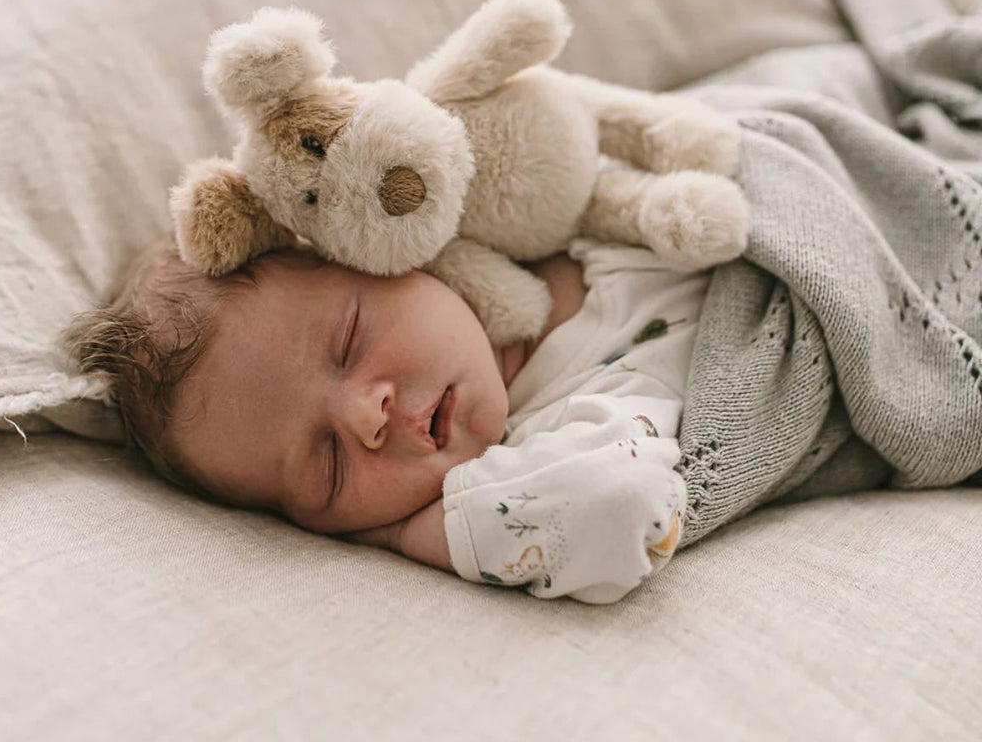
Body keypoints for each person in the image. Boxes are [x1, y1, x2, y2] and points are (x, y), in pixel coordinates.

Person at [65, 234, 707, 604]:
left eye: (348, 339)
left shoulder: (540, 217)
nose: (364, 417)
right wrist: (408, 535)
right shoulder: (570, 439)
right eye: (328, 467)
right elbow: (617, 504)